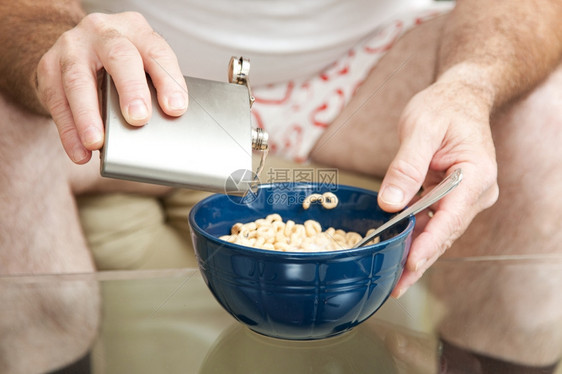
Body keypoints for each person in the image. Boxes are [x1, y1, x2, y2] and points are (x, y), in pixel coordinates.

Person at [1, 0, 561, 372]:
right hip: (145, 77)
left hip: (371, 68)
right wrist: (57, 43)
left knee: (541, 114)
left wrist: (471, 83)